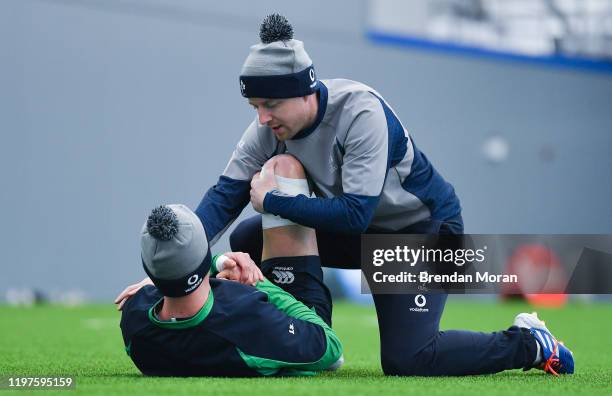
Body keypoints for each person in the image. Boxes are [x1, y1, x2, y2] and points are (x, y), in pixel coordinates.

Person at [193, 14, 573, 376]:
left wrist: (273, 201)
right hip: (360, 237)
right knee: (248, 238)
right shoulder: (267, 130)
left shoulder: (360, 112)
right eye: (255, 106)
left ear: (303, 90)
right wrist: (181, 263)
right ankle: (307, 342)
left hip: (421, 234)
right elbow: (224, 196)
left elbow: (355, 213)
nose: (261, 118)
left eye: (270, 105)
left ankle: (530, 343)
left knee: (410, 359)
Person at [116, 161, 342, 377]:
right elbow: (331, 348)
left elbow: (180, 280)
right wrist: (257, 281)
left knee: (244, 235)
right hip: (371, 238)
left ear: (150, 272)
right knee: (283, 167)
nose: (263, 118)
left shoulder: (134, 319)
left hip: (366, 234)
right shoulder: (251, 317)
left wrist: (216, 263)